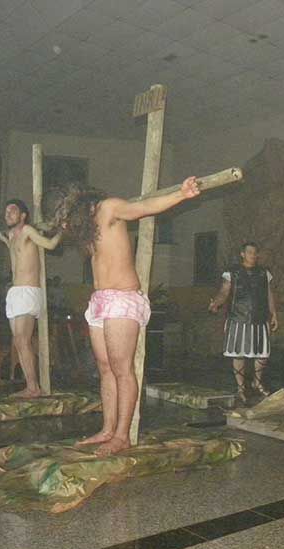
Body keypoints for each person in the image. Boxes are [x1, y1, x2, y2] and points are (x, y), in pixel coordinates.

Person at [53, 177, 200, 456]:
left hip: (123, 300)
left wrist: (181, 194)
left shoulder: (108, 208)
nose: (66, 225)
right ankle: (108, 429)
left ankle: (122, 436)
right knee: (105, 369)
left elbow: (144, 208)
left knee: (122, 370)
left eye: (66, 218)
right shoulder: (89, 228)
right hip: (100, 302)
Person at [0, 199, 62, 398]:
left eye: (13, 211)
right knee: (18, 341)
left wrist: (62, 230)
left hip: (28, 291)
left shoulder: (27, 230)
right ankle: (30, 386)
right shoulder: (12, 235)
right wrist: (4, 240)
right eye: (6, 211)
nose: (8, 214)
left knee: (23, 340)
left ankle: (34, 387)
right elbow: (14, 253)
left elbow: (50, 244)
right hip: (16, 292)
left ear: (23, 215)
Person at [209, 242, 278, 404]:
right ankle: (240, 387)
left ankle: (257, 382)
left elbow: (269, 294)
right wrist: (216, 303)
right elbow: (224, 291)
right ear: (242, 254)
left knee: (262, 354)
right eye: (249, 252)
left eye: (255, 252)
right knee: (238, 353)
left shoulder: (264, 272)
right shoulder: (232, 272)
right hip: (238, 317)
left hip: (260, 317)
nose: (252, 255)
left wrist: (273, 313)